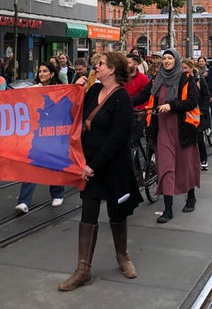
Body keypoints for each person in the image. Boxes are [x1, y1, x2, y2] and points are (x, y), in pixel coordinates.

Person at [58, 51, 143, 291]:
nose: (97, 66)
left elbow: (118, 138)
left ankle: (123, 256)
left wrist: (93, 165)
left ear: (113, 69)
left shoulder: (122, 98)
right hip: (90, 163)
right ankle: (83, 270)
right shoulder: (94, 91)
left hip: (113, 166)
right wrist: (76, 89)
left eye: (101, 63)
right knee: (89, 212)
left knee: (117, 213)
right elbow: (75, 114)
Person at [131, 48, 201, 224]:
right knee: (166, 167)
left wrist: (172, 106)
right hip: (162, 130)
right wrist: (123, 101)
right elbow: (143, 96)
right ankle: (168, 209)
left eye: (170, 58)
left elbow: (192, 101)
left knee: (185, 165)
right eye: (164, 58)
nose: (167, 61)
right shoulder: (157, 78)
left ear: (176, 60)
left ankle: (191, 196)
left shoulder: (186, 78)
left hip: (182, 129)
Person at [15, 62, 66, 214]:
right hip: (37, 132)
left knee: (54, 163)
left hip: (54, 132)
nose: (41, 74)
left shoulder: (59, 90)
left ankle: (58, 193)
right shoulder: (33, 89)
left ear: (52, 74)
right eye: (40, 71)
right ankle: (24, 201)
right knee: (32, 165)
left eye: (45, 71)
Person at [182, 58, 210, 170]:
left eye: (186, 68)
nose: (183, 70)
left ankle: (203, 159)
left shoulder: (199, 80)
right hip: (185, 112)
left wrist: (203, 110)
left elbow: (206, 96)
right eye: (182, 68)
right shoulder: (181, 79)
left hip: (197, 113)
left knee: (198, 137)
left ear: (191, 68)